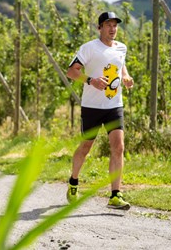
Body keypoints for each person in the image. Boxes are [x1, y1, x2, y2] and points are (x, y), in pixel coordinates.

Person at [66, 11, 134, 210]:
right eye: (108, 25)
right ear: (100, 28)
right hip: (92, 107)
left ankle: (115, 195)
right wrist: (90, 81)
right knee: (85, 147)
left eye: (115, 25)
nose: (112, 29)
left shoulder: (122, 48)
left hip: (114, 105)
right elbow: (71, 71)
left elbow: (121, 68)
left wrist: (127, 78)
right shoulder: (89, 48)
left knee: (118, 147)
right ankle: (73, 181)